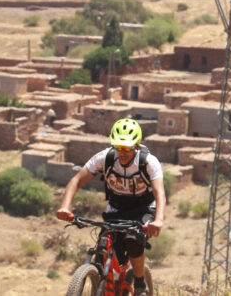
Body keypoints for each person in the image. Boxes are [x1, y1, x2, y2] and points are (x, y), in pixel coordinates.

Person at [57, 118, 165, 296]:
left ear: (136, 146)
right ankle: (101, 281)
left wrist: (158, 220)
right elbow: (76, 180)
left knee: (132, 241)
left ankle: (139, 284)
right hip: (117, 209)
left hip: (144, 209)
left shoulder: (149, 162)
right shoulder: (105, 157)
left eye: (127, 148)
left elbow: (159, 193)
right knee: (102, 246)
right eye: (118, 147)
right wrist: (65, 207)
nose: (122, 153)